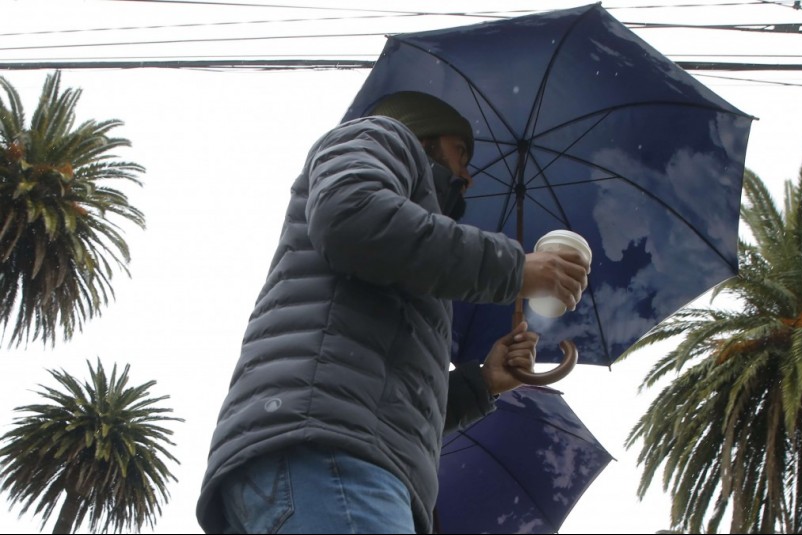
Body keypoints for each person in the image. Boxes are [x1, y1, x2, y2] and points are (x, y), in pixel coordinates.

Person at [195, 91, 590, 534]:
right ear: (425, 138)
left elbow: (383, 400)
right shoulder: (383, 135)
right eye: (461, 153)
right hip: (331, 457)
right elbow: (350, 219)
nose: (468, 176)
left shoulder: (407, 259)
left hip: (319, 457)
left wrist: (483, 383)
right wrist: (514, 267)